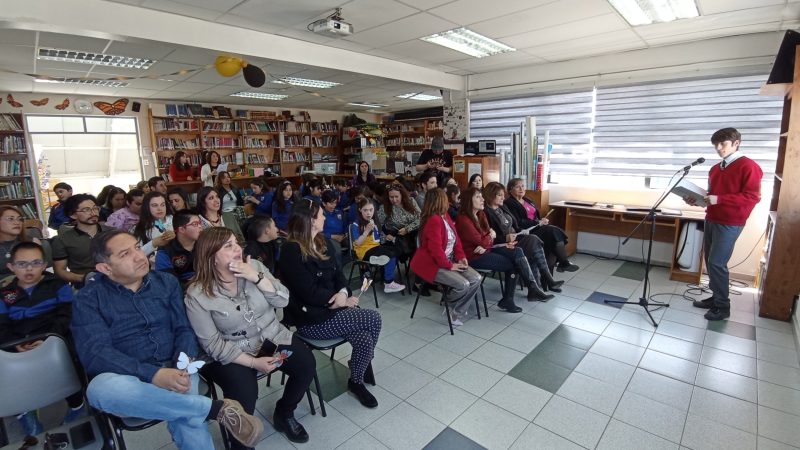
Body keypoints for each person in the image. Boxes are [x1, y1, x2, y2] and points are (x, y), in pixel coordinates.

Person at [71, 230, 263, 450]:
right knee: (99, 390)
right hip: (129, 378)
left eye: (137, 247)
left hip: (175, 366)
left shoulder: (166, 282)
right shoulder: (88, 299)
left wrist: (182, 366)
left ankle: (199, 407)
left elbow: (183, 328)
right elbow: (96, 352)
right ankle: (213, 409)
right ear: (105, 268)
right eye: (125, 254)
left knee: (187, 419)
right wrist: (153, 375)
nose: (139, 256)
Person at [185, 227, 315, 445]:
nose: (237, 249)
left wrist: (256, 277)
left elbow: (283, 300)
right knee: (244, 397)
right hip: (232, 351)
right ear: (210, 256)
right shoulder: (197, 294)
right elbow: (213, 345)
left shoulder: (253, 266)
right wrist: (254, 362)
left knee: (306, 366)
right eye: (228, 246)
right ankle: (241, 444)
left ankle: (284, 413)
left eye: (237, 242)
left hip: (271, 336)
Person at [279, 200, 381, 408]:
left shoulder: (321, 240)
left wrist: (343, 293)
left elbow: (338, 275)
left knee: (363, 338)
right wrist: (336, 301)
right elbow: (307, 291)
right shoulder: (291, 250)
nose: (325, 218)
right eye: (320, 215)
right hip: (312, 319)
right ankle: (362, 366)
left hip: (334, 309)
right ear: (309, 221)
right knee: (373, 318)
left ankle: (356, 377)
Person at [1, 242, 84, 435]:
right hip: (17, 341)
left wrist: (49, 339)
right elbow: (2, 326)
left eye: (35, 263)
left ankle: (76, 402)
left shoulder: (57, 285)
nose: (29, 268)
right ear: (11, 267)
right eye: (22, 264)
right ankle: (24, 409)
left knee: (70, 353)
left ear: (44, 264)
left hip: (54, 337)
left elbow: (66, 315)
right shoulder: (5, 294)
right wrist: (17, 345)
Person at [685, 128, 762, 321]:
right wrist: (697, 200)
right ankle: (716, 297)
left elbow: (752, 197)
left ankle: (723, 307)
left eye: (723, 144)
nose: (719, 149)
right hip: (712, 218)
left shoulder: (749, 166)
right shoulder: (715, 168)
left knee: (717, 263)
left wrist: (719, 199)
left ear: (737, 143)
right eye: (716, 145)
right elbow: (712, 196)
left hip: (731, 222)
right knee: (711, 262)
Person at [457, 188, 562, 311]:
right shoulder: (463, 219)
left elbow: (487, 238)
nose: (482, 199)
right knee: (515, 261)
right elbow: (485, 238)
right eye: (478, 197)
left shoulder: (480, 214)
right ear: (469, 201)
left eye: (482, 196)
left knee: (517, 252)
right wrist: (490, 236)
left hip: (487, 249)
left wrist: (488, 238)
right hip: (474, 256)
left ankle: (526, 292)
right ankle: (515, 297)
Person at [410, 189, 481, 326]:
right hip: (432, 264)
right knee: (463, 285)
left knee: (476, 279)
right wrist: (450, 266)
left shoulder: (445, 216)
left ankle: (456, 310)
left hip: (448, 260)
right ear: (439, 201)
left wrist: (461, 257)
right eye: (445, 199)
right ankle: (451, 308)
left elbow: (456, 240)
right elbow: (435, 250)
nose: (448, 202)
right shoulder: (433, 220)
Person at [483, 182, 560, 299]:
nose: (503, 197)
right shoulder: (485, 213)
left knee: (533, 244)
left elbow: (515, 224)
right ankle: (544, 282)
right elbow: (489, 237)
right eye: (499, 195)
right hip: (502, 244)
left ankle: (538, 288)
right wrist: (506, 238)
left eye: (503, 194)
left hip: (516, 236)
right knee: (534, 241)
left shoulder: (502, 207)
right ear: (490, 195)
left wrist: (522, 231)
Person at [504, 178, 578, 272]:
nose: (521, 189)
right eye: (517, 187)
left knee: (553, 242)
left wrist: (541, 221)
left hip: (537, 228)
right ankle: (563, 263)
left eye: (523, 186)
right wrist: (537, 223)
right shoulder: (509, 203)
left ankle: (551, 279)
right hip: (526, 232)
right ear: (510, 190)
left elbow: (535, 217)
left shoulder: (527, 200)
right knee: (553, 231)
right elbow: (518, 222)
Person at [51, 194, 114, 287]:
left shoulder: (113, 233)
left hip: (116, 281)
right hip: (84, 285)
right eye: (86, 210)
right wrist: (85, 278)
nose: (93, 213)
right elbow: (60, 271)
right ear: (73, 215)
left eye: (95, 208)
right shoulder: (62, 239)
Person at [350, 198, 406, 294]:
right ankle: (388, 283)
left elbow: (380, 235)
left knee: (397, 250)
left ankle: (378, 260)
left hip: (376, 247)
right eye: (365, 210)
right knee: (390, 254)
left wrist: (390, 237)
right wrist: (366, 231)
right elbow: (358, 243)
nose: (368, 213)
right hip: (364, 251)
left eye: (371, 210)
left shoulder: (374, 221)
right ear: (360, 210)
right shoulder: (356, 224)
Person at [155, 209, 200, 291]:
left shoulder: (204, 243)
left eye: (200, 223)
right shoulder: (165, 251)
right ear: (182, 229)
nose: (200, 227)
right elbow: (168, 282)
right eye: (195, 224)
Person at [376, 183, 420, 260]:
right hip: (395, 237)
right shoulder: (384, 207)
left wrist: (407, 229)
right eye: (391, 197)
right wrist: (385, 237)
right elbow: (378, 225)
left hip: (413, 233)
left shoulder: (411, 201)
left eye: (396, 196)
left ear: (402, 195)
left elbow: (421, 218)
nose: (394, 200)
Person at [0, 205, 41, 279]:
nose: (17, 222)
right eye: (10, 219)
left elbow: (38, 271)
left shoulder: (33, 242)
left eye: (19, 219)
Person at [132, 191, 175, 257]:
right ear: (147, 207)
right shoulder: (138, 228)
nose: (160, 209)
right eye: (154, 205)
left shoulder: (175, 220)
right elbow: (135, 255)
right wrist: (153, 243)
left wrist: (176, 237)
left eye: (163, 205)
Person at [321, 190, 347, 264]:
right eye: (331, 203)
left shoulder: (338, 212)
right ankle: (338, 271)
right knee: (336, 251)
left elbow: (344, 225)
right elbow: (318, 233)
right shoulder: (320, 215)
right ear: (324, 203)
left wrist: (345, 234)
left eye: (335, 203)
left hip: (341, 236)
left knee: (355, 243)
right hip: (328, 238)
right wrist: (333, 236)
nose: (334, 205)